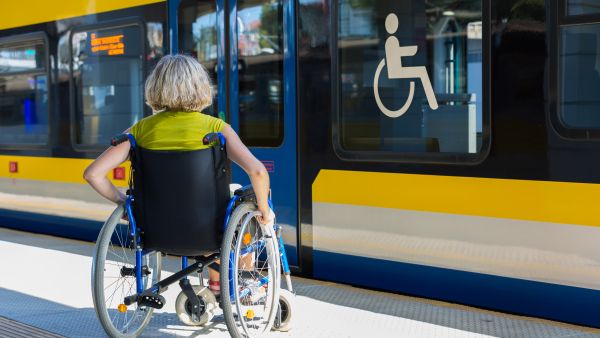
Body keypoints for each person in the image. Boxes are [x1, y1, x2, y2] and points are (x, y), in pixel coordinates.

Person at [83, 54, 273, 296]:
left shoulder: (140, 130)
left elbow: (93, 174)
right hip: (209, 233)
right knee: (248, 203)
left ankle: (214, 284)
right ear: (200, 87)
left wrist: (127, 205)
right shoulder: (216, 128)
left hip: (156, 234)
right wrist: (265, 211)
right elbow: (257, 171)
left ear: (156, 87)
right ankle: (237, 286)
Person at [384, 13, 438, 110]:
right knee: (421, 71)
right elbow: (397, 53)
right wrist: (412, 50)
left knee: (421, 71)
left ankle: (431, 101)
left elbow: (398, 52)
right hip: (396, 70)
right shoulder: (392, 40)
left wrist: (412, 49)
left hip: (397, 69)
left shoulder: (391, 39)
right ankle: (432, 101)